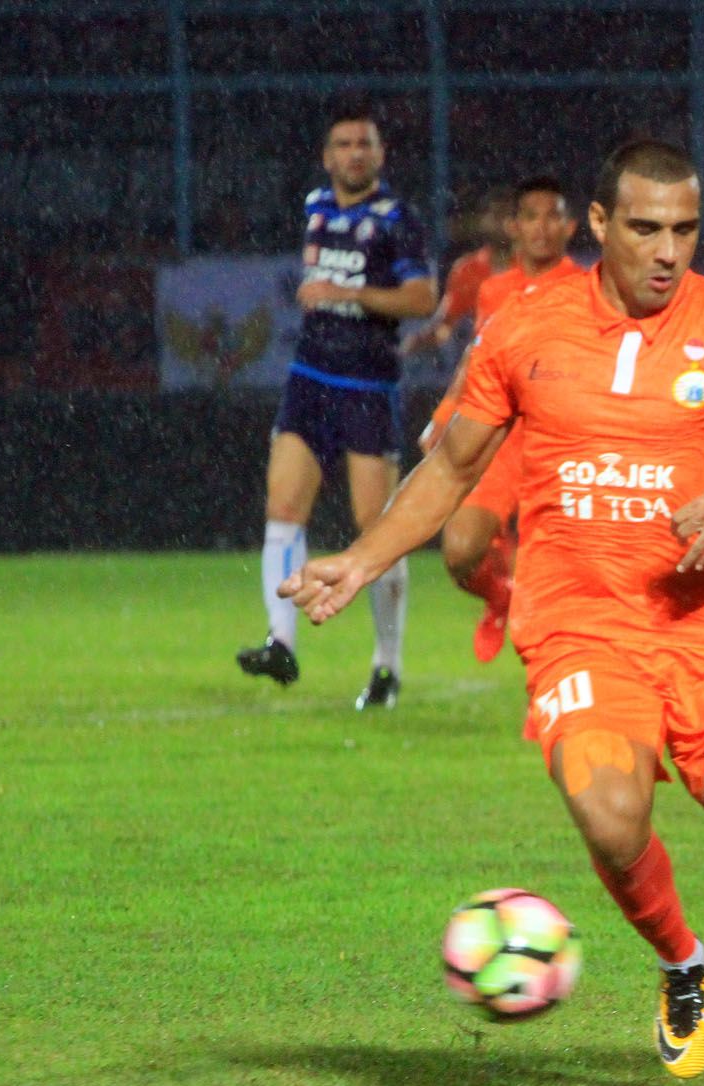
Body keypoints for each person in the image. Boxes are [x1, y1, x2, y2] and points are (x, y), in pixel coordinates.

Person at [282, 140, 704, 1086]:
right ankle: (684, 961)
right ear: (599, 225)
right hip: (580, 621)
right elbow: (455, 466)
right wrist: (361, 557)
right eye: (646, 227)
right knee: (609, 813)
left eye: (686, 229)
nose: (668, 250)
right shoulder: (524, 327)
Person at [237, 108, 436, 709]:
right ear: (327, 156)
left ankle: (386, 665)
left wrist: (347, 293)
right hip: (309, 376)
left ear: (380, 155)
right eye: (344, 144)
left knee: (376, 528)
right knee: (282, 507)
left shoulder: (398, 220)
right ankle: (281, 641)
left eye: (364, 144)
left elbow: (424, 296)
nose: (354, 153)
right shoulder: (316, 207)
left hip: (368, 385)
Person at [416, 175, 584, 662]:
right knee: (459, 550)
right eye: (530, 216)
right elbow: (477, 359)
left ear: (571, 226)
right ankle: (499, 595)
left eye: (552, 216)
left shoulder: (588, 288)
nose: (541, 227)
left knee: (560, 586)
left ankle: (556, 695)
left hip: (559, 445)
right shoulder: (494, 290)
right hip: (502, 441)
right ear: (512, 226)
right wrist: (444, 416)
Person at [399, 186, 516, 359]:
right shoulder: (468, 269)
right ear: (482, 220)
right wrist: (418, 341)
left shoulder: (541, 268)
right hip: (486, 369)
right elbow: (446, 324)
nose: (502, 222)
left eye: (509, 215)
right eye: (496, 214)